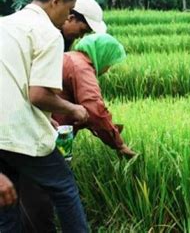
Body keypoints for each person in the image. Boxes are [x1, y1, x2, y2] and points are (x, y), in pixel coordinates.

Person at [0, 0, 90, 232]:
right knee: (64, 189)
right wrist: (73, 109)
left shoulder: (5, 23)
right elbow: (38, 94)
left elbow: (12, 80)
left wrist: (47, 117)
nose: (67, 17)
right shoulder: (48, 33)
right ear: (56, 2)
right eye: (69, 9)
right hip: (18, 131)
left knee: (7, 203)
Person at [20, 33, 135, 232]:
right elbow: (94, 110)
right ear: (102, 55)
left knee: (31, 190)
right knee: (62, 188)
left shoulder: (68, 58)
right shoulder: (82, 67)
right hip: (44, 136)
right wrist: (119, 144)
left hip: (33, 131)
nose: (107, 70)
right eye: (110, 63)